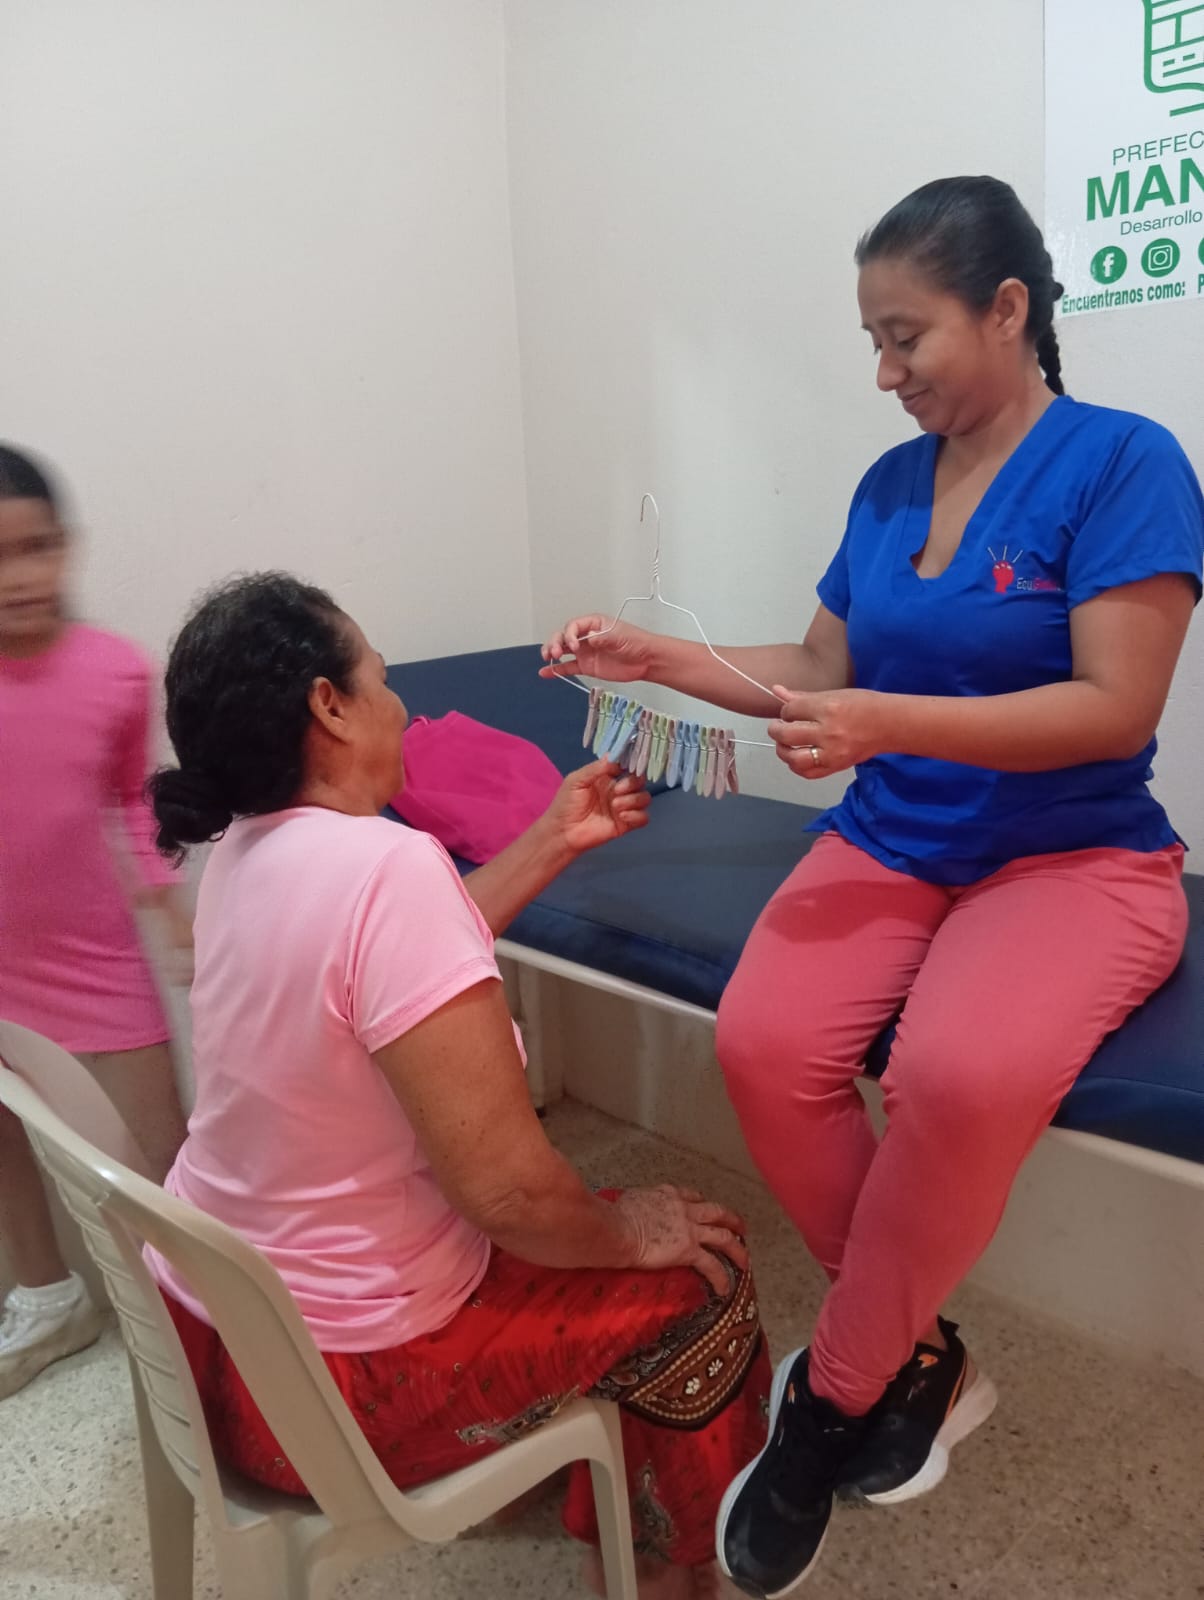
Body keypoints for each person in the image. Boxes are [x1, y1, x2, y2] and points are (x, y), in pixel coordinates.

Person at [542, 175, 1204, 1595]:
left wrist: (885, 724)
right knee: (762, 1042)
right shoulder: (891, 483)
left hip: (1075, 856)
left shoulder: (1123, 462)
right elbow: (822, 671)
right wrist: (660, 659)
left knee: (953, 1075)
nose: (886, 373)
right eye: (874, 343)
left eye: (907, 337)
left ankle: (831, 1402)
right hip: (897, 837)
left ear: (1007, 309)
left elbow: (1113, 707)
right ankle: (918, 1355)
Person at [143, 571, 771, 1600]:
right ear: (329, 705)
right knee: (706, 1278)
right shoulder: (388, 870)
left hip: (209, 1344)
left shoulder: (244, 857)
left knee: (589, 1230)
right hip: (339, 1396)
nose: (399, 706)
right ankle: (664, 1571)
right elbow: (510, 1196)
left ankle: (575, 1468)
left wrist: (553, 838)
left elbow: (393, 973)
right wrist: (630, 1230)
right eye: (382, 680)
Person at [0, 443, 191, 1399]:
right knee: (5, 1136)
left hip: (96, 964)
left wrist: (170, 904)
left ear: (66, 547)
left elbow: (128, 802)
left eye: (34, 549)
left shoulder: (117, 671)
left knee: (161, 1157)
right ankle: (48, 1294)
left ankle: (201, 1318)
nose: (17, 577)